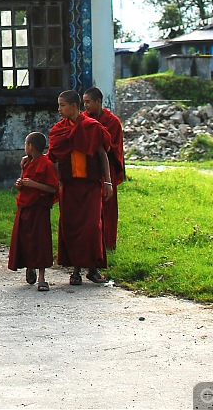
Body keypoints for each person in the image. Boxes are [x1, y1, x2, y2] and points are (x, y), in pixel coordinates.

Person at [48, 90, 113, 285]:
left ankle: (92, 269)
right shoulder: (59, 130)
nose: (59, 109)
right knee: (70, 227)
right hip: (69, 185)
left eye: (62, 105)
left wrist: (108, 181)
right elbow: (52, 156)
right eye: (59, 105)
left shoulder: (92, 127)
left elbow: (102, 154)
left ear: (74, 106)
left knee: (92, 227)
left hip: (90, 185)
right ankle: (75, 271)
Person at [8, 132, 59, 291]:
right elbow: (24, 182)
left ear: (30, 146)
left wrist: (34, 185)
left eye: (25, 145)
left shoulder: (46, 164)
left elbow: (53, 188)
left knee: (40, 241)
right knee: (24, 239)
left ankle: (42, 277)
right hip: (24, 206)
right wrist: (20, 184)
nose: (25, 148)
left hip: (39, 207)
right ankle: (29, 266)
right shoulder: (26, 162)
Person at [83, 87, 125, 250]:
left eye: (88, 102)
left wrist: (99, 142)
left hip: (108, 170)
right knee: (89, 207)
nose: (85, 106)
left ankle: (108, 243)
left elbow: (114, 147)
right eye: (84, 102)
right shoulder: (83, 119)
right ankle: (90, 243)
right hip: (87, 169)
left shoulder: (112, 122)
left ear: (98, 102)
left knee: (108, 207)